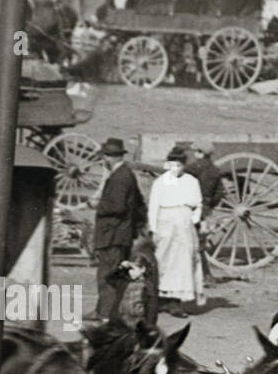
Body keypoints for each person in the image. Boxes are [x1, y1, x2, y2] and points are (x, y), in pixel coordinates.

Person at [93, 137, 146, 321]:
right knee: (109, 273)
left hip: (113, 233)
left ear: (110, 157)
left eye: (105, 157)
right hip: (119, 233)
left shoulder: (119, 177)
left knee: (107, 275)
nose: (103, 162)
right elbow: (139, 203)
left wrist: (97, 206)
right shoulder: (125, 174)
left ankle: (106, 314)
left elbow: (117, 207)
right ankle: (102, 310)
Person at [149, 145, 204, 311]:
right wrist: (153, 228)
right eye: (173, 165)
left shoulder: (191, 182)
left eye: (180, 165)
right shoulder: (160, 182)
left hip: (184, 225)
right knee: (163, 259)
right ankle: (161, 297)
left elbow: (198, 205)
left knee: (183, 261)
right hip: (165, 223)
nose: (176, 169)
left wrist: (192, 219)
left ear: (184, 166)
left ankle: (176, 300)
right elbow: (153, 206)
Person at [185, 139, 224, 283]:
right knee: (200, 243)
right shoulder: (215, 170)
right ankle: (205, 275)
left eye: (196, 151)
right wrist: (209, 206)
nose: (194, 154)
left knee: (190, 243)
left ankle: (201, 276)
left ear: (200, 153)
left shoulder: (194, 168)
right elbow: (219, 193)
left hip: (192, 209)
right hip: (205, 209)